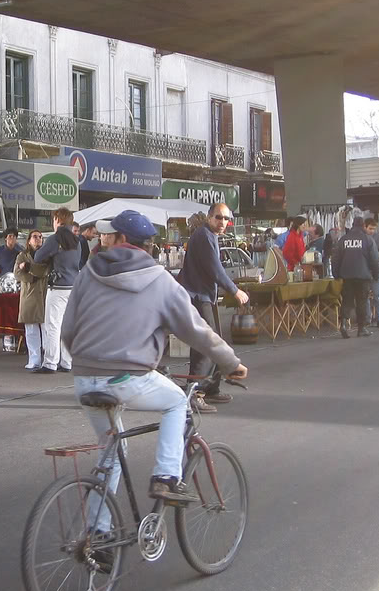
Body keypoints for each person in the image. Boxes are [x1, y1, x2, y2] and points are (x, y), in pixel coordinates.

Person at [62, 208, 248, 510]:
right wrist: (231, 363)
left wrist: (87, 360)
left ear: (120, 239)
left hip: (84, 379)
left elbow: (68, 330)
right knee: (177, 403)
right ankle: (166, 477)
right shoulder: (160, 281)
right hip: (126, 378)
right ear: (147, 245)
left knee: (111, 450)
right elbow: (199, 331)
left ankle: (99, 537)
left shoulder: (88, 273)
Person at [177, 202, 249, 411]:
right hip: (198, 296)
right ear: (210, 217)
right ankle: (195, 392)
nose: (222, 222)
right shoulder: (204, 236)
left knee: (213, 339)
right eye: (218, 217)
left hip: (203, 295)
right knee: (207, 342)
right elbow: (215, 270)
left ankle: (211, 388)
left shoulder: (208, 236)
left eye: (226, 219)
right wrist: (235, 291)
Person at [32, 207, 81, 374]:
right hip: (73, 287)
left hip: (58, 287)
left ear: (58, 221)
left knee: (53, 326)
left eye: (53, 220)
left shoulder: (55, 239)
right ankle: (67, 362)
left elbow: (38, 257)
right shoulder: (77, 240)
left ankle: (50, 363)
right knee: (68, 326)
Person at [332, 216, 379, 339]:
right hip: (363, 276)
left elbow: (336, 258)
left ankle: (343, 324)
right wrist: (376, 275)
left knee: (347, 300)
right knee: (361, 302)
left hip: (347, 276)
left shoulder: (343, 240)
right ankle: (361, 328)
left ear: (352, 225)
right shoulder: (368, 240)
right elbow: (375, 260)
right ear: (363, 226)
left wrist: (336, 274)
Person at [14, 230, 48, 370]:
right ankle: (34, 359)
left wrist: (28, 268)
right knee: (31, 329)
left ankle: (49, 359)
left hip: (44, 293)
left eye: (40, 237)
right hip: (28, 294)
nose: (38, 239)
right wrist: (31, 277)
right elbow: (17, 273)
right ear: (28, 240)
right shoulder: (22, 255)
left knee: (47, 329)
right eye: (35, 237)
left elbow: (44, 270)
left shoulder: (46, 255)